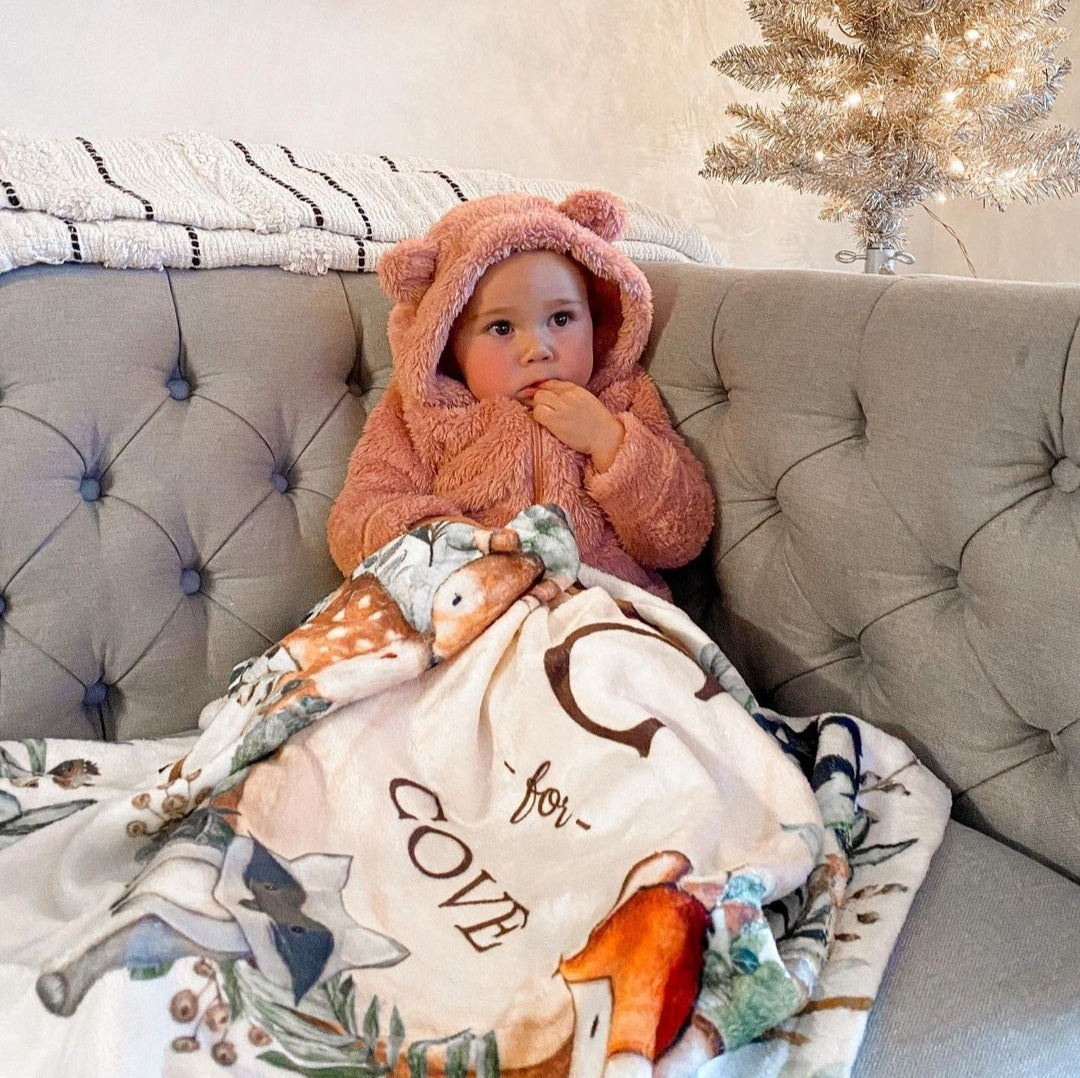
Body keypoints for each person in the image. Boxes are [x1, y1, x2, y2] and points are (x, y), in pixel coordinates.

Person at [327, 189, 714, 598]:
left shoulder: (620, 397)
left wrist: (610, 442)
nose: (538, 350)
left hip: (603, 607)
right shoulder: (420, 413)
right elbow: (358, 517)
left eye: (561, 318)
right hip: (475, 610)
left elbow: (681, 534)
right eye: (501, 328)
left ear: (594, 316)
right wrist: (441, 539)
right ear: (447, 341)